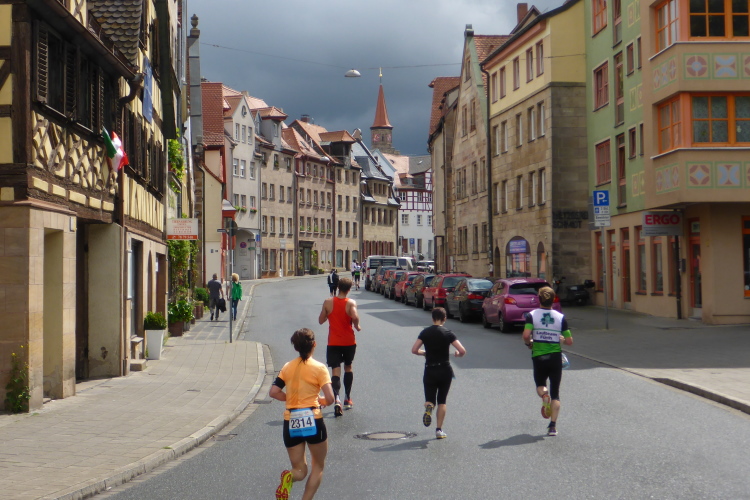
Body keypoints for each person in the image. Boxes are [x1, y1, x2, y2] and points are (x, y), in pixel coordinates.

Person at [270, 328, 335, 500]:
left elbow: (274, 392)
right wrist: (321, 401)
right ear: (314, 344)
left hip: (291, 420)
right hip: (313, 418)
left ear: (296, 347)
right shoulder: (319, 368)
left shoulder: (287, 367)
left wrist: (291, 398)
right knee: (318, 467)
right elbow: (330, 398)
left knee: (300, 470)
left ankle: (289, 476)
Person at [521, 286, 573, 437]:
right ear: (553, 299)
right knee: (556, 393)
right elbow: (569, 341)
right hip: (555, 357)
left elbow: (526, 335)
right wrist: (561, 340)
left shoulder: (532, 315)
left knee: (540, 385)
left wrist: (529, 343)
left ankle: (544, 396)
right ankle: (552, 427)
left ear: (539, 299)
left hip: (539, 356)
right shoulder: (560, 317)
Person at [411, 307, 466, 439]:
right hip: (445, 370)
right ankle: (439, 430)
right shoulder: (448, 333)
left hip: (430, 369)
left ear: (432, 318)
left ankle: (429, 406)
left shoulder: (425, 332)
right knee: (442, 400)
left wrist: (424, 353)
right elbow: (462, 350)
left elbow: (414, 350)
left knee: (430, 398)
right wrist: (457, 354)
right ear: (444, 318)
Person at [318, 277, 361, 417]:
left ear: (338, 287)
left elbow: (321, 320)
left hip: (333, 342)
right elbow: (355, 316)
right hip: (348, 341)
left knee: (335, 371)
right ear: (349, 289)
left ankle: (337, 399)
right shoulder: (351, 303)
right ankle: (347, 398)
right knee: (348, 367)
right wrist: (357, 326)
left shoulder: (328, 302)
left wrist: (327, 315)